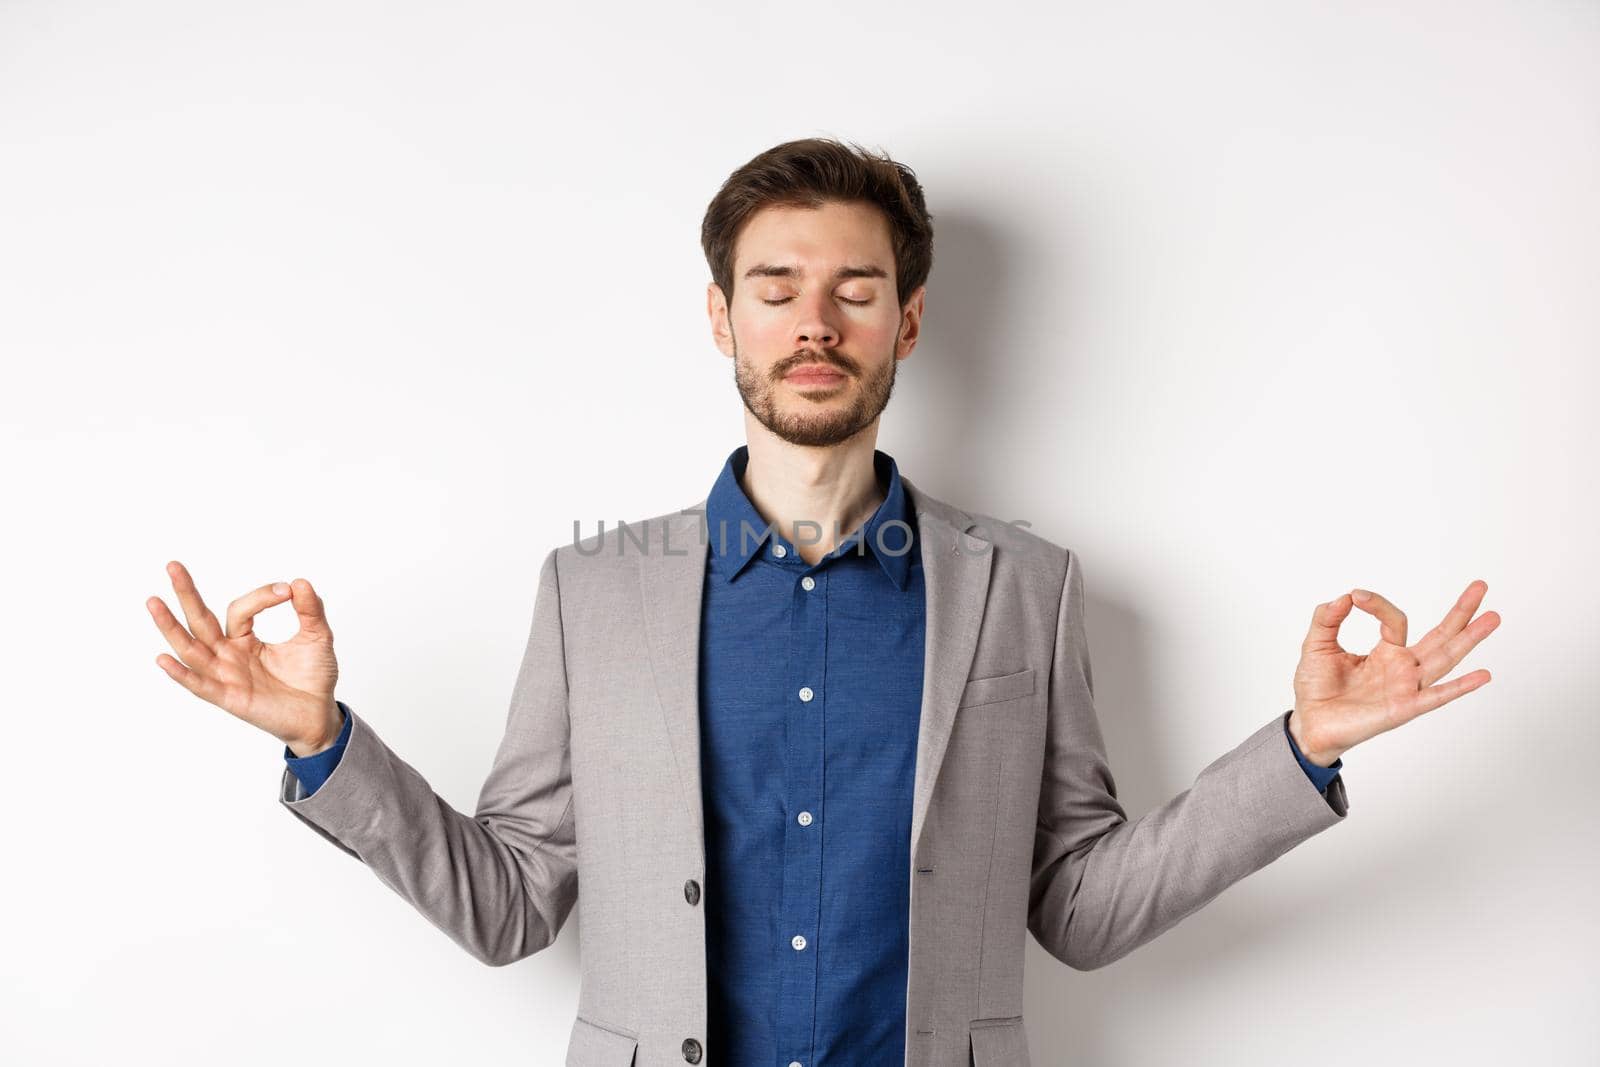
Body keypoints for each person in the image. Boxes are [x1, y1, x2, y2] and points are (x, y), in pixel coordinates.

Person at [147, 137, 1501, 1067]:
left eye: (855, 291)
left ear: (906, 324)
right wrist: (325, 743)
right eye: (775, 290)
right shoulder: (593, 593)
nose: (814, 323)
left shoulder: (1026, 586)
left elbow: (1080, 909)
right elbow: (512, 906)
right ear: (722, 319)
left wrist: (1304, 748)